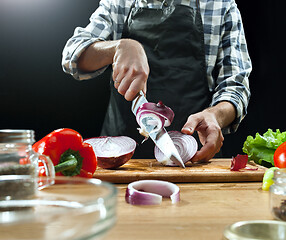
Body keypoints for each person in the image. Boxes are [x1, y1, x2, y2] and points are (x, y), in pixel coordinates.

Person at [62, 0, 252, 162]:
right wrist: (119, 47)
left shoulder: (221, 5)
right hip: (120, 161)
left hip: (195, 157)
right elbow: (72, 56)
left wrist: (216, 116)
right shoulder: (120, 3)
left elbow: (235, 85)